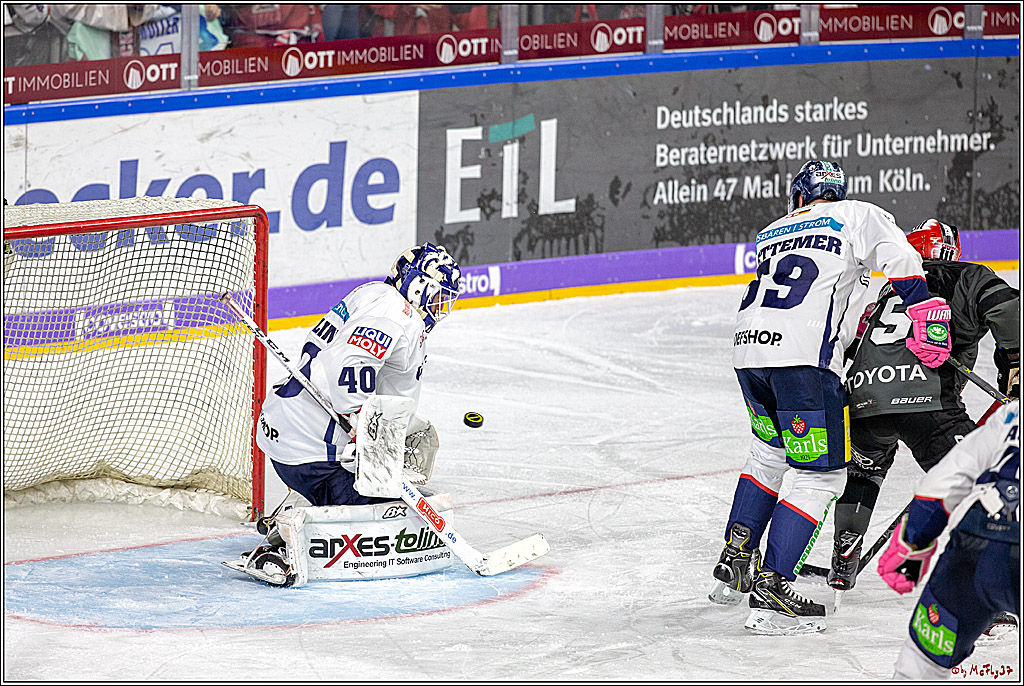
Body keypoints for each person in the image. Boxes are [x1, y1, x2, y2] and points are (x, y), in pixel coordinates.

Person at [712, 160, 954, 635]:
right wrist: (926, 311)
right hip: (803, 363)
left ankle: (736, 558)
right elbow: (902, 260)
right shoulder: (857, 215)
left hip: (749, 355)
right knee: (821, 475)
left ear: (799, 196)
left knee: (768, 454)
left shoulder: (772, 231)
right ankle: (773, 587)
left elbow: (830, 288)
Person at [828, 219, 1019, 594]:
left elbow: (854, 347)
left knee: (865, 473)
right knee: (980, 486)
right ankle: (983, 592)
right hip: (928, 406)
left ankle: (844, 555)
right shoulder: (967, 276)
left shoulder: (888, 291)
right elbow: (1011, 309)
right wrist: (1014, 363)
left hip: (865, 401)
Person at [255, 242, 461, 510]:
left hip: (284, 433)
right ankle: (306, 519)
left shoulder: (372, 293)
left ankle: (306, 500)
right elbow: (349, 365)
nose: (440, 308)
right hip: (316, 455)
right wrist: (364, 429)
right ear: (418, 286)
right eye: (439, 298)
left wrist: (397, 423)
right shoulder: (399, 315)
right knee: (404, 512)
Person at [877, 400, 1019, 679]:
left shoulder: (1013, 414)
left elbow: (939, 487)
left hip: (977, 548)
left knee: (919, 666)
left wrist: (913, 546)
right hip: (984, 546)